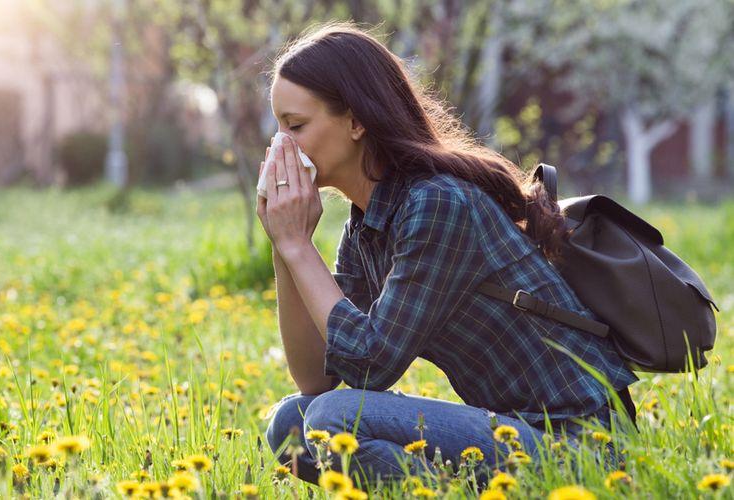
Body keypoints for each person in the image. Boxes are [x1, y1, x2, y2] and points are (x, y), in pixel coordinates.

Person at [256, 22, 637, 489]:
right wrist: (285, 246)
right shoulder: (366, 225)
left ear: (356, 121)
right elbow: (316, 378)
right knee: (291, 424)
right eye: (278, 127)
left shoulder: (436, 203)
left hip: (582, 445)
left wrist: (299, 246)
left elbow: (370, 366)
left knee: (334, 419)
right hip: (511, 431)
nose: (280, 146)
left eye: (295, 126)